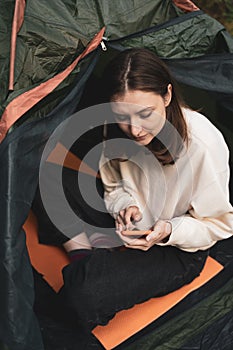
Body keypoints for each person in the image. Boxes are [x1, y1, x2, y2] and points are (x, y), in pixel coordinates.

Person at [35, 48, 233, 339]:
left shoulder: (202, 144)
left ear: (167, 96)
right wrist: (125, 205)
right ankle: (83, 257)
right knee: (43, 178)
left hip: (173, 247)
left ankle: (91, 265)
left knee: (82, 297)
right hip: (126, 223)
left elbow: (219, 224)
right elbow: (113, 183)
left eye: (145, 114)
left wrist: (167, 230)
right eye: (122, 116)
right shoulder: (117, 127)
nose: (135, 129)